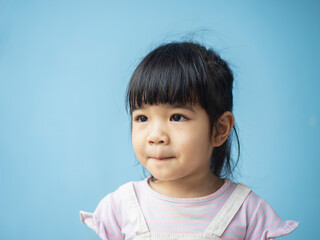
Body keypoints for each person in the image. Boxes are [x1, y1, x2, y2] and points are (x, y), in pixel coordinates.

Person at [80, 42, 299, 240]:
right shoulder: (120, 208)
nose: (155, 136)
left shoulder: (248, 212)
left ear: (219, 130)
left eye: (177, 117)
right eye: (142, 118)